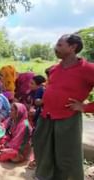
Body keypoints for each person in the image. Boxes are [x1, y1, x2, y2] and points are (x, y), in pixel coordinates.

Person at [34, 34, 94, 180]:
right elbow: (55, 89)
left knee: (67, 157)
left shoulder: (88, 69)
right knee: (43, 151)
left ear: (73, 47)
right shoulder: (54, 69)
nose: (55, 48)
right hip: (46, 117)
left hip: (67, 120)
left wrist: (85, 107)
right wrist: (44, 101)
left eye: (60, 45)